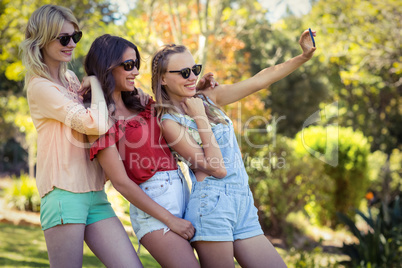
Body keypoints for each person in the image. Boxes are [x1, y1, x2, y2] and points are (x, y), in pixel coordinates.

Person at [152, 29, 317, 267]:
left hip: (242, 202)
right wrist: (199, 116)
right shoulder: (170, 122)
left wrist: (302, 57)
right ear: (163, 78)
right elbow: (217, 169)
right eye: (184, 72)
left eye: (195, 69)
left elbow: (260, 80)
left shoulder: (208, 98)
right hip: (212, 206)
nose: (192, 77)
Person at [20, 5, 143, 267]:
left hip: (95, 194)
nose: (72, 44)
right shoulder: (40, 86)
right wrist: (96, 81)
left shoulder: (72, 81)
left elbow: (106, 118)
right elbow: (96, 124)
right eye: (64, 38)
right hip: (64, 194)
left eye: (76, 36)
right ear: (42, 39)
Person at [86, 34, 217, 267]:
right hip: (153, 211)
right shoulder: (100, 118)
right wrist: (170, 220)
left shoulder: (143, 102)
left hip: (185, 195)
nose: (136, 71)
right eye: (128, 65)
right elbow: (121, 182)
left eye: (136, 64)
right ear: (107, 67)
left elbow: (177, 110)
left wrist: (198, 89)